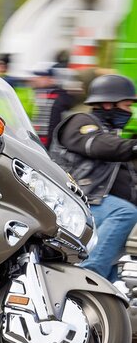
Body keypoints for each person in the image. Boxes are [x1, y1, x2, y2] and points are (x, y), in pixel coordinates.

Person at [49, 74, 137, 283]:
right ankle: (88, 274)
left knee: (113, 280)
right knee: (124, 212)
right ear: (108, 104)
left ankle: (106, 291)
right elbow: (99, 145)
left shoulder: (110, 134)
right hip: (76, 200)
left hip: (96, 202)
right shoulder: (80, 123)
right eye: (126, 105)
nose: (129, 111)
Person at [30, 64, 74, 149]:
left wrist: (47, 146)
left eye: (41, 77)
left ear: (51, 79)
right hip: (36, 143)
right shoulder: (39, 93)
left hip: (47, 146)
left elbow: (53, 125)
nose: (35, 79)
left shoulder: (58, 97)